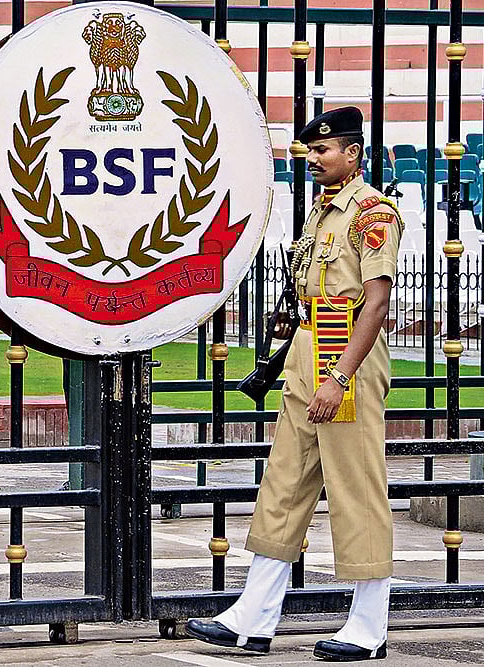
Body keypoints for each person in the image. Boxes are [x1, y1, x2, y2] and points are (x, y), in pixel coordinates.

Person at [187, 107, 402, 661]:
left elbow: (375, 303)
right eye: (309, 152)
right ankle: (252, 617)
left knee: (355, 488)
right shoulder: (322, 213)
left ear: (351, 154)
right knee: (283, 486)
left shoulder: (371, 213)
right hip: (310, 346)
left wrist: (339, 376)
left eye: (323, 152)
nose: (313, 160)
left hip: (345, 353)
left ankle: (369, 625)